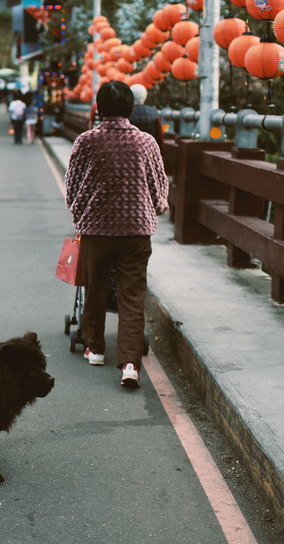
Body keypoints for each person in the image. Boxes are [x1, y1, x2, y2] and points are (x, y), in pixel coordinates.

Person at [64, 80, 169, 389]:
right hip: (137, 232)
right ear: (130, 108)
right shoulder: (146, 142)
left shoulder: (86, 140)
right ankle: (130, 364)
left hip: (96, 230)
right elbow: (158, 183)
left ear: (100, 107)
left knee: (95, 288)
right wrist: (158, 207)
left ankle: (95, 348)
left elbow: (73, 184)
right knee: (132, 296)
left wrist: (78, 214)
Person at [127, 84, 165, 151]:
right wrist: (161, 152)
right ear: (145, 96)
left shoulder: (127, 113)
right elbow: (160, 136)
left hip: (132, 150)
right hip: (149, 149)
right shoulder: (154, 112)